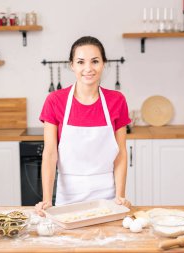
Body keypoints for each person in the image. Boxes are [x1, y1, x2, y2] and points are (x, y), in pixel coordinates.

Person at [35, 36, 131, 214]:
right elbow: (50, 153)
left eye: (95, 61)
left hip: (107, 197)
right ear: (72, 65)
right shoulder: (55, 101)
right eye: (80, 62)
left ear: (103, 64)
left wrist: (120, 196)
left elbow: (121, 153)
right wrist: (47, 199)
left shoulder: (117, 100)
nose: (88, 69)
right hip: (68, 197)